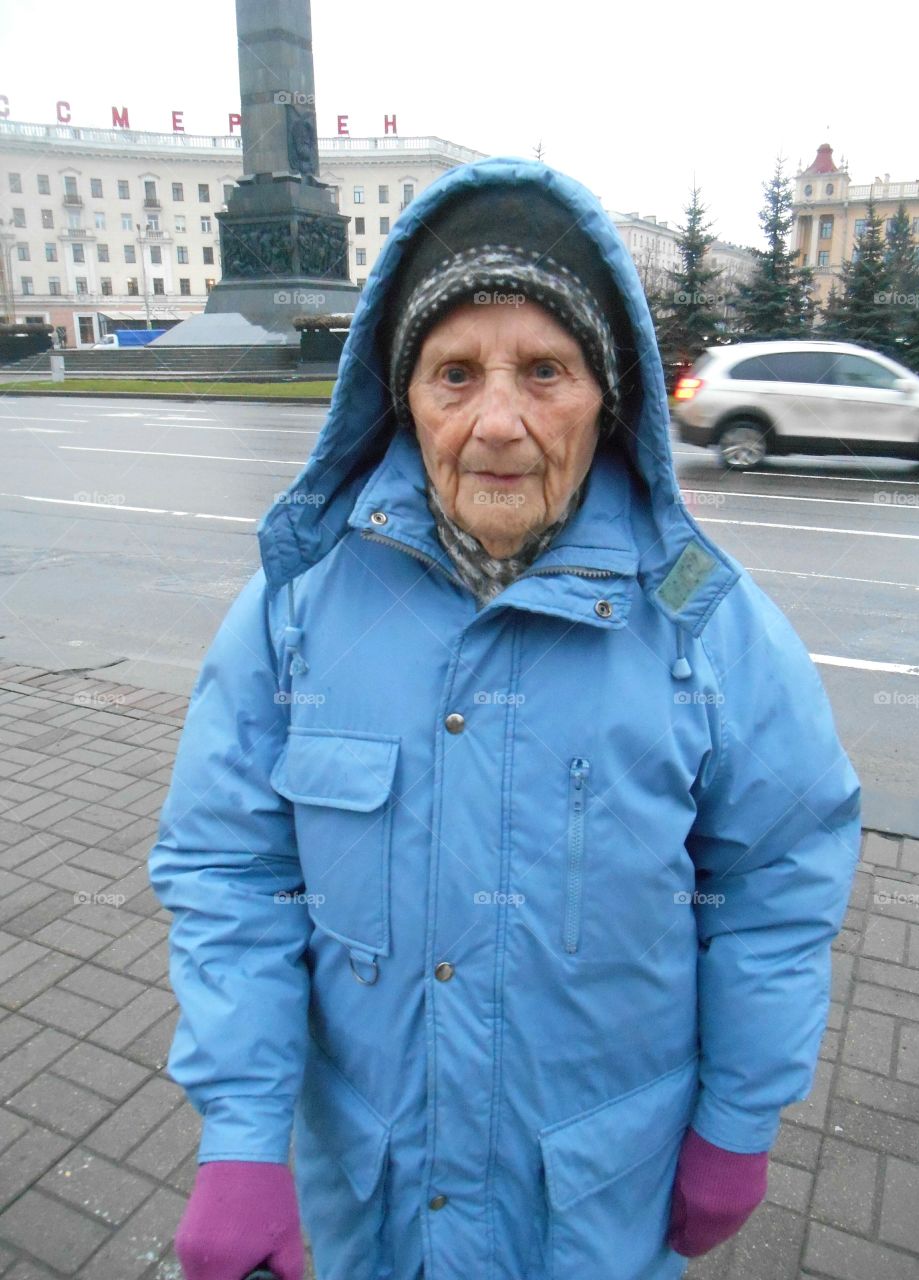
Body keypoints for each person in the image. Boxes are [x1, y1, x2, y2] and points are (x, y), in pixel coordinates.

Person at [149, 156, 860, 1280]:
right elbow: (232, 868)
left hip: (591, 1209)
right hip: (374, 1202)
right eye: (454, 373)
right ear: (403, 395)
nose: (498, 423)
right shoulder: (298, 604)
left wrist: (740, 1114)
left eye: (544, 369)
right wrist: (242, 1133)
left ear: (607, 393)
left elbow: (775, 877)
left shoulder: (703, 624)